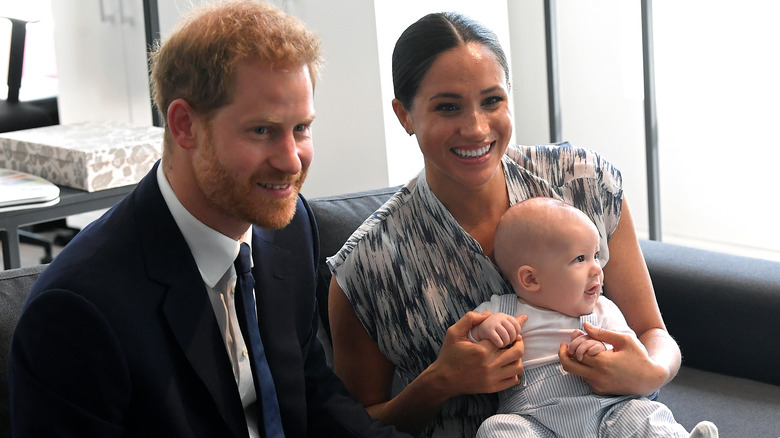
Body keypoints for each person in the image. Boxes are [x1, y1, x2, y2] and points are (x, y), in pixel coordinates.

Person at [9, 2, 411, 437]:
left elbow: (312, 394)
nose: (292, 161)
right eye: (262, 131)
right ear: (184, 125)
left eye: (301, 128)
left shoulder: (288, 231)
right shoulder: (77, 310)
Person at [327, 11, 683, 437]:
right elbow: (352, 426)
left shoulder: (583, 183)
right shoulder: (367, 266)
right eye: (448, 107)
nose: (476, 128)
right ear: (404, 115)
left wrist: (650, 373)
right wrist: (440, 382)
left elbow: (652, 331)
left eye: (492, 100)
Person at [469, 197, 718, 437]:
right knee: (496, 428)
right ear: (531, 279)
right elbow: (466, 338)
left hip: (609, 410)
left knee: (644, 414)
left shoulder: (603, 310)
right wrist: (485, 329)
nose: (597, 268)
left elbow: (631, 354)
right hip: (534, 419)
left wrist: (603, 350)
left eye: (596, 255)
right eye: (580, 258)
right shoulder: (503, 310)